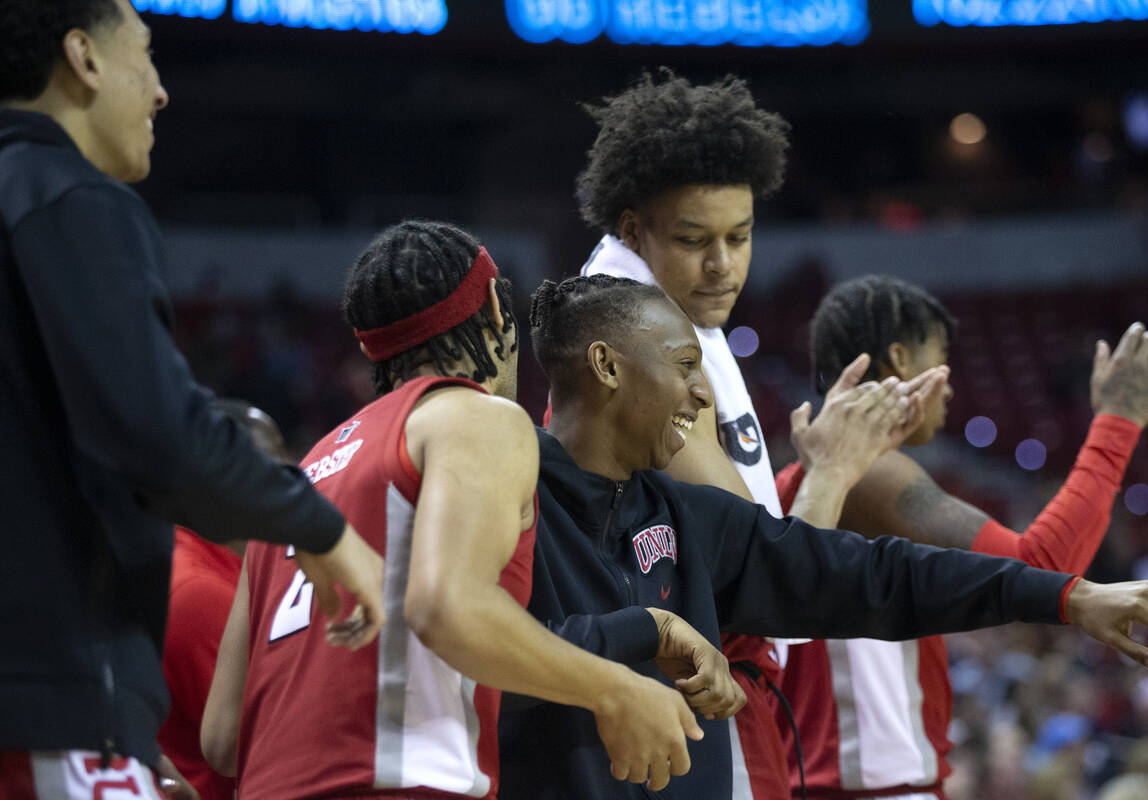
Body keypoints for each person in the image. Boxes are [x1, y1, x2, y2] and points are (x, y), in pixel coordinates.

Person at [496, 274, 1148, 800]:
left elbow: (883, 575)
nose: (701, 396)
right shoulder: (508, 497)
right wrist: (642, 634)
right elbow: (483, 653)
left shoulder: (689, 515)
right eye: (683, 368)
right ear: (609, 366)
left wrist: (1070, 596)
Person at [201, 221, 729, 800]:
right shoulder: (477, 418)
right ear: (500, 315)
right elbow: (447, 606)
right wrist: (616, 689)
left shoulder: (307, 470)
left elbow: (224, 737)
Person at [0, 1, 384, 796]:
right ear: (84, 58)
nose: (162, 91)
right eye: (145, 54)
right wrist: (319, 528)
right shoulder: (66, 194)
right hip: (49, 694)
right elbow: (152, 430)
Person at [572, 68, 897, 798]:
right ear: (632, 228)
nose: (723, 265)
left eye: (740, 236)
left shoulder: (665, 306)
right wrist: (835, 473)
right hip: (699, 698)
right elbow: (761, 576)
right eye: (694, 239)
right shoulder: (642, 349)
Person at [773, 275, 1148, 800]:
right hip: (869, 787)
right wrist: (1117, 423)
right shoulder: (867, 474)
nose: (952, 385)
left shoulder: (809, 476)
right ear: (900, 358)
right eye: (941, 357)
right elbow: (1038, 567)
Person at [158, 400, 289, 800]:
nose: (296, 473)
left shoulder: (217, 565)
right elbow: (272, 746)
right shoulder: (198, 593)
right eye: (272, 462)